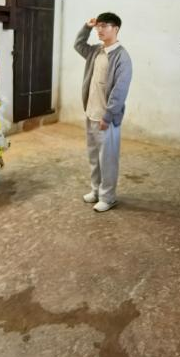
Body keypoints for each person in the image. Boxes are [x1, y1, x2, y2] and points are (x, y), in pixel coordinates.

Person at [74, 13, 132, 213]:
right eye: (98, 26)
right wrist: (87, 27)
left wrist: (108, 117)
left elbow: (119, 91)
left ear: (116, 29)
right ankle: (96, 191)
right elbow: (78, 44)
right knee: (94, 158)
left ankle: (108, 197)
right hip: (91, 113)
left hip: (107, 119)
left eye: (104, 26)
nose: (99, 29)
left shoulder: (122, 57)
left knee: (107, 160)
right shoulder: (95, 51)